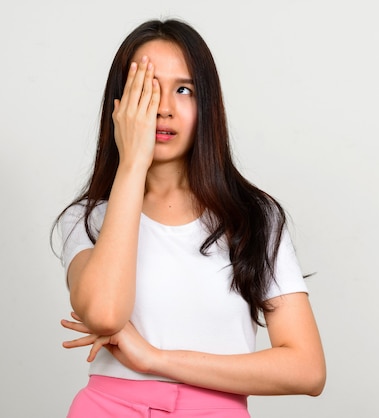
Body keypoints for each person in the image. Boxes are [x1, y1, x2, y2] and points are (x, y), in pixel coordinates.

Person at [54, 18, 326, 417]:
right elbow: (105, 313)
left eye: (184, 90)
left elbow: (307, 370)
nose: (163, 108)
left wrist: (154, 359)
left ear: (207, 105)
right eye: (145, 89)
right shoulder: (87, 218)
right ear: (119, 107)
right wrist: (132, 163)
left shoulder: (253, 217)